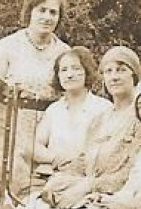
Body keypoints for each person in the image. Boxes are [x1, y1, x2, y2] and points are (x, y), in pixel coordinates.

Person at [0, 0, 68, 195]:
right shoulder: (8, 46)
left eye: (53, 12)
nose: (47, 17)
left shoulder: (64, 51)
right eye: (42, 10)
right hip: (12, 123)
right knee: (14, 183)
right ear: (29, 12)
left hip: (50, 126)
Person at [44, 46, 141, 209]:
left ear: (134, 75)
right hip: (86, 192)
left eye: (120, 70)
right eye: (108, 71)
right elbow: (83, 161)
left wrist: (88, 187)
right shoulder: (99, 120)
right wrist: (59, 179)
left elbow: (133, 172)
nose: (114, 77)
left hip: (118, 198)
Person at [32, 46, 111, 186]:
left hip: (87, 179)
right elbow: (35, 147)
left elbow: (108, 150)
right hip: (51, 176)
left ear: (87, 72)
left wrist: (77, 162)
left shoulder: (103, 108)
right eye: (64, 70)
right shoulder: (54, 110)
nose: (69, 75)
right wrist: (57, 158)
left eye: (76, 68)